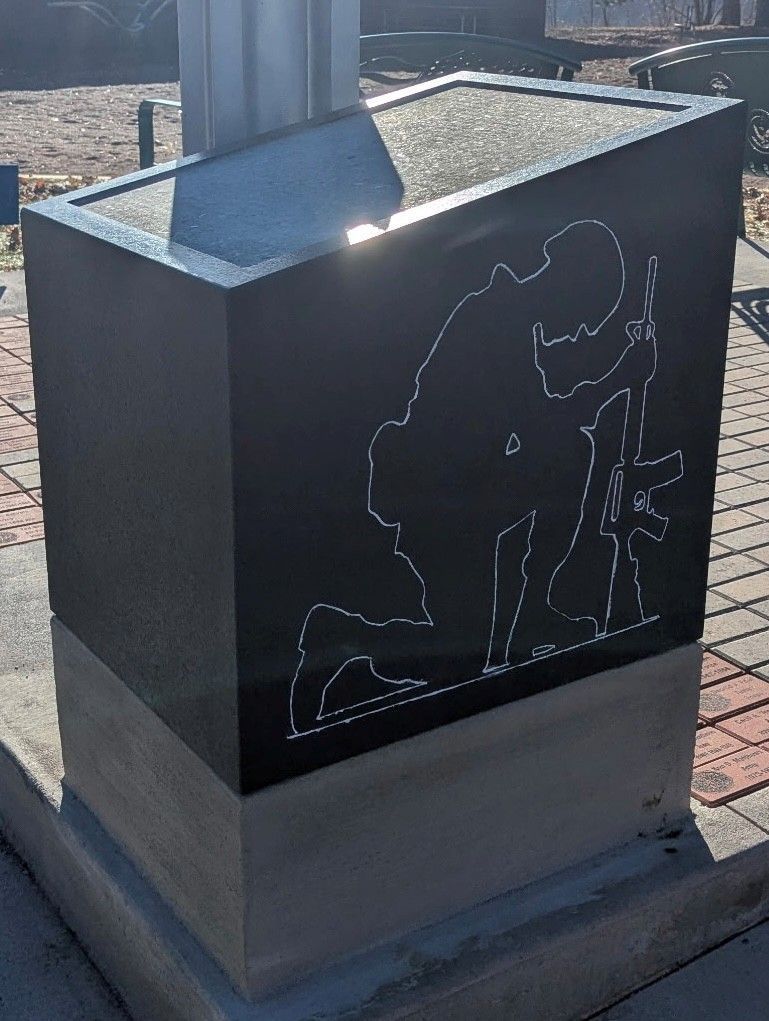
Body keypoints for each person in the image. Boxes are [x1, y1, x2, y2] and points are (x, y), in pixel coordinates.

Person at [290, 220, 657, 735]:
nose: (584, 331)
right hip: (437, 500)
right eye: (587, 315)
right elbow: (541, 420)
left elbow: (542, 424)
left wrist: (615, 378)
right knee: (458, 661)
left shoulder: (512, 319)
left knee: (571, 450)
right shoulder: (496, 320)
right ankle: (344, 636)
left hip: (469, 488)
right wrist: (620, 377)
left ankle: (535, 612)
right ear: (569, 282)